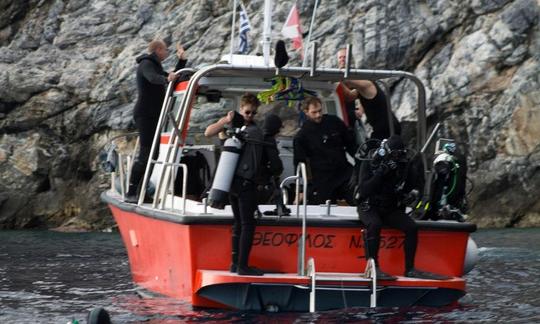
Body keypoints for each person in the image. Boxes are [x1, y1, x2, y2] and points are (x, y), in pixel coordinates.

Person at [205, 94, 281, 276]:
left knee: (239, 223)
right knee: (247, 224)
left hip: (232, 182)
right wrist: (227, 119)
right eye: (247, 112)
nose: (250, 115)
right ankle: (242, 266)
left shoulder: (247, 131)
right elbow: (208, 132)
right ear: (241, 109)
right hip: (243, 184)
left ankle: (235, 264)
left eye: (253, 113)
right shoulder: (242, 129)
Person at [357, 135, 449, 280]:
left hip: (390, 207)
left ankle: (410, 269)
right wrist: (381, 172)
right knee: (374, 224)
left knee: (411, 227)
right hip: (369, 206)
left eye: (399, 155)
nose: (396, 158)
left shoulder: (404, 165)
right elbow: (363, 190)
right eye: (394, 155)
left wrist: (410, 195)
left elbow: (411, 187)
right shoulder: (371, 162)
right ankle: (372, 267)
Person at [125, 40, 187, 203]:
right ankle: (131, 191)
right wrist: (166, 78)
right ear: (158, 50)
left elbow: (170, 77)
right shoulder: (146, 63)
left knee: (154, 153)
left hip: (153, 115)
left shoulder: (156, 65)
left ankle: (141, 190)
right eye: (166, 50)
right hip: (145, 115)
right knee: (146, 153)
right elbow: (153, 78)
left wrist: (181, 60)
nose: (167, 53)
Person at [293, 96, 356, 205]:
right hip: (322, 179)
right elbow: (299, 163)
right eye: (314, 112)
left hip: (343, 173)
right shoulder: (301, 136)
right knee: (322, 207)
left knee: (357, 198)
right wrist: (301, 189)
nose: (318, 115)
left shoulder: (334, 122)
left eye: (320, 111)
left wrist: (361, 163)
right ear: (306, 112)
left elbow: (350, 144)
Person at [336, 48, 401, 141]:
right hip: (381, 127)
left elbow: (348, 81)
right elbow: (349, 96)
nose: (342, 59)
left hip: (387, 128)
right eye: (340, 58)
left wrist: (337, 77)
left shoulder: (366, 83)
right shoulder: (361, 88)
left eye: (344, 57)